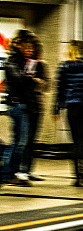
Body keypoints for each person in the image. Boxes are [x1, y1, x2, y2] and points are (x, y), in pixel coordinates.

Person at [53, 41, 83, 186]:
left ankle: (76, 176)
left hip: (73, 107)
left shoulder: (64, 67)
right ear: (82, 50)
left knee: (76, 141)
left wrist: (56, 108)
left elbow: (60, 88)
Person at [1, 31, 48, 186]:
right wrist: (33, 79)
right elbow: (19, 78)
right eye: (26, 46)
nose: (29, 49)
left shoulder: (30, 62)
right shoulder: (13, 60)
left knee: (23, 141)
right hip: (17, 104)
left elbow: (43, 83)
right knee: (18, 142)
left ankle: (14, 172)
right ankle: (8, 173)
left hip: (27, 104)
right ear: (19, 45)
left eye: (31, 46)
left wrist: (33, 79)